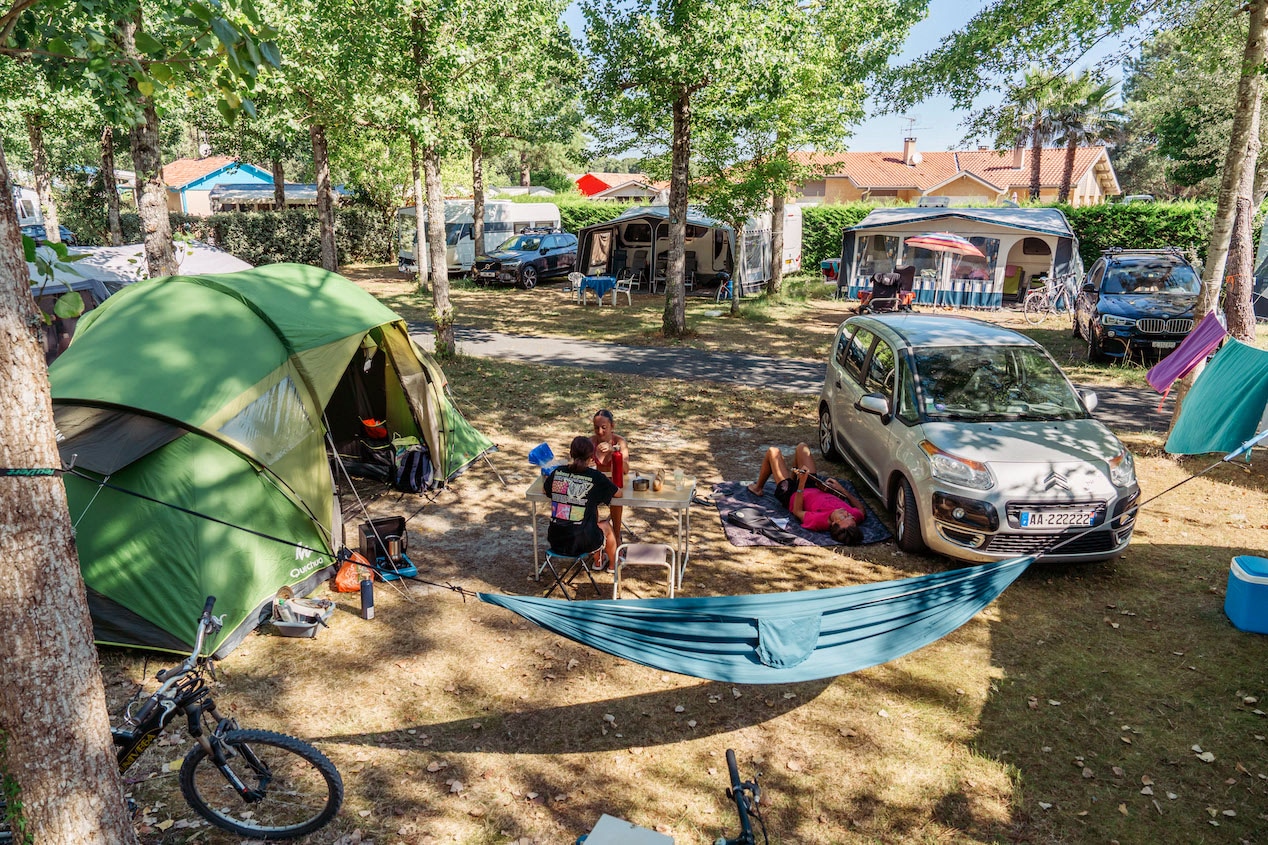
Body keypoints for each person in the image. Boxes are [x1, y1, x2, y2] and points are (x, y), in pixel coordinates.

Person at [747, 443, 865, 545]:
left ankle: (758, 487)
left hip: (791, 494)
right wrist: (842, 490)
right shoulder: (852, 519)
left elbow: (797, 512)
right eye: (849, 516)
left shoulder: (817, 520)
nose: (846, 513)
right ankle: (794, 476)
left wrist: (801, 484)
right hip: (814, 486)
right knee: (802, 448)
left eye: (843, 517)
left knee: (773, 452)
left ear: (834, 523)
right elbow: (861, 510)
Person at [546, 436, 622, 571]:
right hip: (583, 542)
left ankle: (599, 561)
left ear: (571, 454)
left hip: (556, 540)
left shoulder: (558, 472)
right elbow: (618, 494)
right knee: (604, 526)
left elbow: (545, 488)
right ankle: (612, 565)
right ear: (591, 456)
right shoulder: (596, 477)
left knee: (591, 523)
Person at [590, 409, 628, 543]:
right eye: (596, 428)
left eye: (604, 428)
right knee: (589, 499)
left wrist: (614, 452)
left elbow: (626, 470)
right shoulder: (590, 443)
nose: (600, 432)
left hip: (614, 484)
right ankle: (594, 537)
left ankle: (617, 536)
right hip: (595, 485)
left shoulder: (619, 442)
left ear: (612, 426)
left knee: (616, 497)